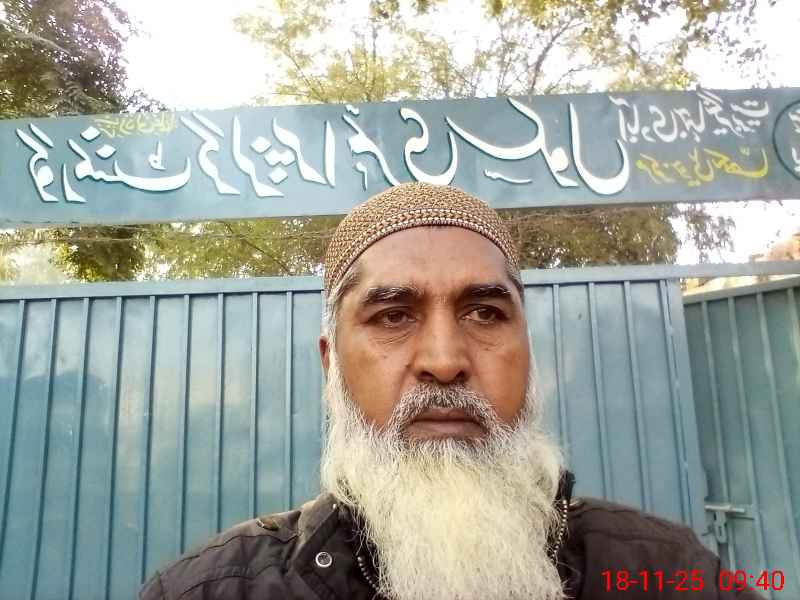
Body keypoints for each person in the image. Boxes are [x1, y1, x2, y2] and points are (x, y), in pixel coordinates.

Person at [140, 182, 763, 599]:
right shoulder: (215, 589)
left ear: (528, 354)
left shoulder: (667, 573)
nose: (444, 361)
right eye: (392, 316)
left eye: (485, 313)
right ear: (331, 368)